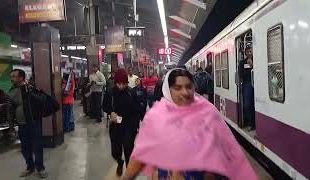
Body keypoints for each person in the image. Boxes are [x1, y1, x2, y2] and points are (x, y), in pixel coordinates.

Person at [122, 68, 257, 180]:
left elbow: (227, 152)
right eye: (178, 88)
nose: (185, 92)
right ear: (168, 90)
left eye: (188, 87)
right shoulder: (157, 117)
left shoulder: (207, 113)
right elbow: (140, 154)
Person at [9, 69, 48, 178]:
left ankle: (40, 168)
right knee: (25, 146)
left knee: (37, 146)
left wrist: (31, 91)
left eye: (14, 76)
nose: (11, 78)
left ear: (21, 77)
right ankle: (30, 167)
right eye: (11, 76)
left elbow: (42, 100)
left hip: (34, 122)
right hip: (22, 124)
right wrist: (11, 124)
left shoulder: (31, 87)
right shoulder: (11, 91)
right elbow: (10, 108)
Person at [102, 69, 140, 177]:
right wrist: (111, 112)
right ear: (115, 82)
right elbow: (104, 106)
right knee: (115, 152)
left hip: (128, 126)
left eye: (124, 83)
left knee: (129, 151)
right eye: (119, 83)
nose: (121, 86)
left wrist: (135, 127)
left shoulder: (131, 93)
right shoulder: (110, 93)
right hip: (116, 126)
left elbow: (136, 110)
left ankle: (129, 173)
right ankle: (119, 161)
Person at [238, 47, 255, 130]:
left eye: (250, 51)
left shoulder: (256, 60)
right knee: (247, 105)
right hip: (247, 84)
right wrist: (250, 67)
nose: (249, 53)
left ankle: (254, 124)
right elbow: (241, 74)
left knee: (254, 104)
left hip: (256, 84)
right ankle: (249, 122)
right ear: (245, 53)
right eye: (247, 51)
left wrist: (252, 65)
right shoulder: (242, 62)